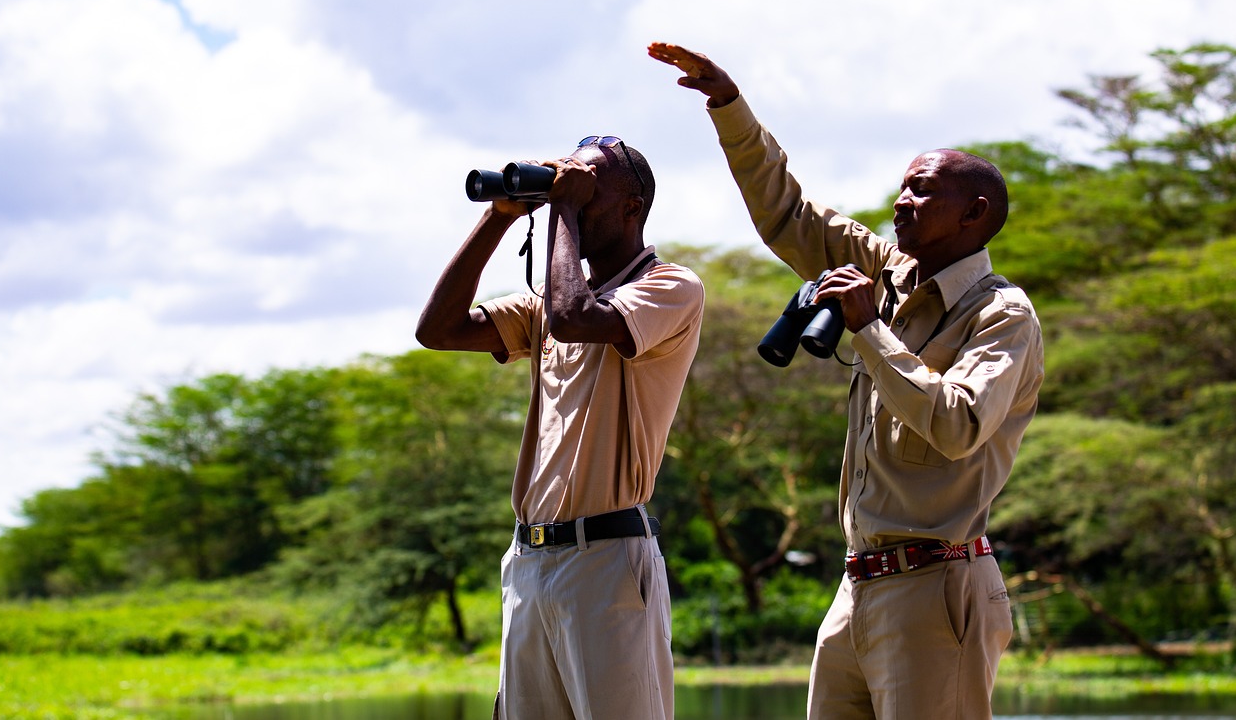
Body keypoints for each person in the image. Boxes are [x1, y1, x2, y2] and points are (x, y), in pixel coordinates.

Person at [649, 41, 1044, 720]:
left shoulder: (1002, 315)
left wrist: (871, 328)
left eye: (923, 190)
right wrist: (728, 107)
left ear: (974, 214)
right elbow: (788, 212)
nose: (902, 200)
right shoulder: (885, 270)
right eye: (903, 185)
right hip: (856, 585)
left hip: (937, 585)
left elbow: (957, 424)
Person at [415, 136, 705, 720]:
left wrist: (564, 210)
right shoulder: (548, 304)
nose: (571, 189)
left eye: (590, 182)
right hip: (528, 562)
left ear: (632, 205)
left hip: (605, 561)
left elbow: (575, 320)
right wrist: (500, 217)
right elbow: (437, 329)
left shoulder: (671, 287)